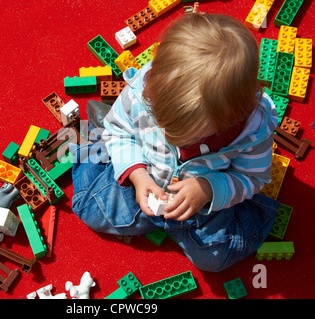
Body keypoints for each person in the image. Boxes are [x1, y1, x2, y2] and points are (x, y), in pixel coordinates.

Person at [69, 13, 280, 272]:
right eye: (162, 124)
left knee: (215, 260)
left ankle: (250, 214)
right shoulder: (142, 95)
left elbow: (252, 178)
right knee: (87, 208)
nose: (175, 141)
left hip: (204, 205)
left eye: (193, 136)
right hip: (146, 175)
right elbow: (121, 132)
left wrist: (209, 189)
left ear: (232, 116)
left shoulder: (253, 133)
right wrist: (137, 175)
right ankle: (95, 136)